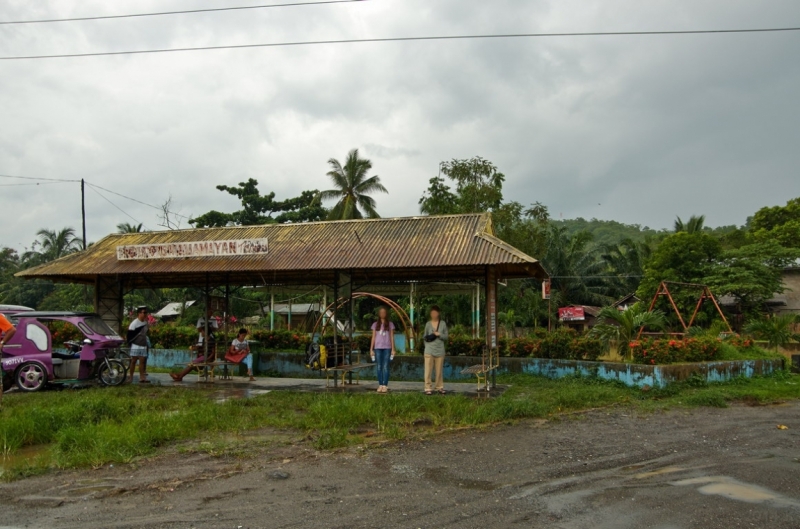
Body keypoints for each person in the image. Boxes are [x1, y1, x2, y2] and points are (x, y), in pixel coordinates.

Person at [423, 305, 448, 395]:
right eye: (432, 312)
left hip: (440, 350)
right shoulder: (428, 324)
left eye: (435, 312)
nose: (433, 314)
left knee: (439, 371)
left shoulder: (443, 323)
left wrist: (439, 334)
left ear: (438, 313)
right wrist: (427, 347)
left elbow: (446, 337)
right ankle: (427, 387)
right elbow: (424, 337)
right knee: (428, 370)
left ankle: (439, 387)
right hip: (429, 350)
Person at [370, 306, 396, 393]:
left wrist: (393, 349)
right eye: (381, 312)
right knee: (379, 366)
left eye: (384, 312)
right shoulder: (375, 324)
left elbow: (392, 337)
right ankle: (380, 384)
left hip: (387, 348)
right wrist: (371, 349)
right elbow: (373, 337)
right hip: (377, 348)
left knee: (386, 366)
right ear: (379, 314)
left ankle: (385, 385)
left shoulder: (390, 324)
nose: (382, 314)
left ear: (386, 314)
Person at [127, 306, 150, 384]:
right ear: (139, 313)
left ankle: (142, 377)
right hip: (135, 344)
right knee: (133, 361)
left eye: (146, 313)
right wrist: (130, 344)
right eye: (143, 313)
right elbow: (129, 336)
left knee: (142, 361)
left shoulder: (145, 323)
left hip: (143, 344)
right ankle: (131, 377)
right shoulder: (134, 323)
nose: (145, 314)